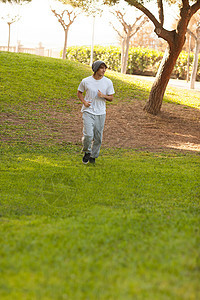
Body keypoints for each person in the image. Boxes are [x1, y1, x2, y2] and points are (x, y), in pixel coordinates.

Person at [77, 60, 115, 164]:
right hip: (88, 111)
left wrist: (103, 96)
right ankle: (87, 151)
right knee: (88, 135)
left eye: (105, 68)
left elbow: (111, 98)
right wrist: (84, 102)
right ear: (96, 69)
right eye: (101, 68)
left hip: (101, 113)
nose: (104, 70)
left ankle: (93, 156)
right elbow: (79, 92)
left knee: (98, 137)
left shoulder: (108, 82)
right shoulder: (86, 81)